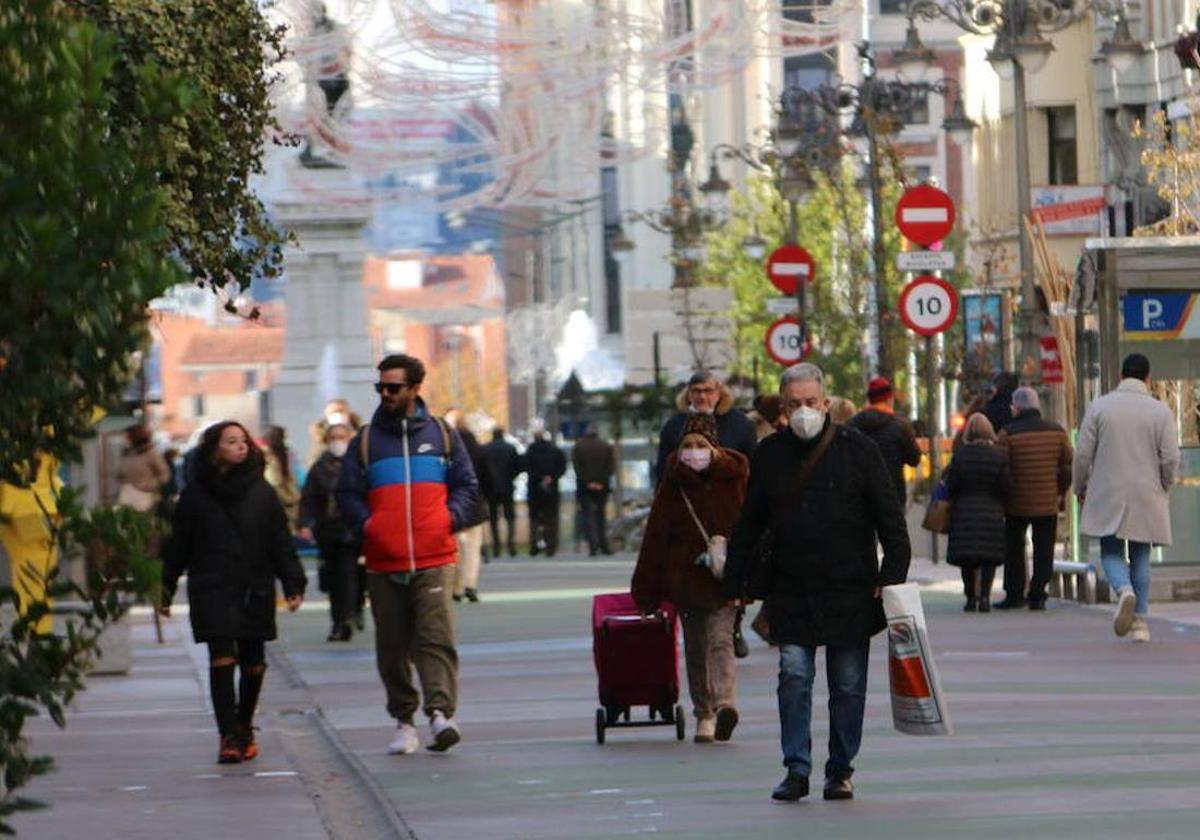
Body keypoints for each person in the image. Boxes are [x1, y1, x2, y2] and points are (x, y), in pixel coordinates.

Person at [725, 362, 910, 803]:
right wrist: (736, 580)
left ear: (825, 403)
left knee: (847, 684)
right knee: (794, 675)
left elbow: (891, 520)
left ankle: (841, 769)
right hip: (792, 588)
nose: (804, 410)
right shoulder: (769, 455)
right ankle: (797, 767)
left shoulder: (859, 449)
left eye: (811, 402)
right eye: (794, 404)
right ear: (782, 408)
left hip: (851, 587)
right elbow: (749, 522)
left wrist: (891, 577)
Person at [337, 354, 479, 754]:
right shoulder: (365, 441)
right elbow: (346, 493)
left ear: (415, 389)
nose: (385, 394)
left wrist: (448, 520)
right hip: (384, 560)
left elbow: (468, 485)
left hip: (434, 557)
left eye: (393, 387)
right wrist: (369, 526)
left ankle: (440, 715)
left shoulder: (443, 435)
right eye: (380, 387)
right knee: (392, 645)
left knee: (435, 638)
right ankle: (403, 719)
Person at [160, 422, 306, 764]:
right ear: (214, 451)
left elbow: (279, 542)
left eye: (243, 441)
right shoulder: (195, 496)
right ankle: (227, 734)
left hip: (254, 585)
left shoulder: (261, 492)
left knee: (254, 663)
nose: (241, 447)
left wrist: (293, 583)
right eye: (231, 442)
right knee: (222, 657)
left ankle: (244, 724)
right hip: (212, 586)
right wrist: (164, 589)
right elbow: (178, 546)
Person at [632, 413, 748, 743]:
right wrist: (645, 591)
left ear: (715, 447)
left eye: (701, 445)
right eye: (688, 445)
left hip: (727, 576)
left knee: (721, 640)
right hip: (687, 579)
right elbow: (655, 538)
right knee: (697, 646)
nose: (693, 451)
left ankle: (725, 704)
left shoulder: (735, 478)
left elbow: (753, 526)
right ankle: (704, 714)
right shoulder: (673, 483)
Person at [1074, 353, 1180, 643]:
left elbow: (1083, 453)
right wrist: (1164, 484)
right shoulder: (1160, 412)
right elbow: (1171, 457)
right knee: (1141, 554)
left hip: (1108, 490)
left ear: (1121, 377)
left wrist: (1079, 486)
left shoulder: (1100, 407)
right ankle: (1141, 623)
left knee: (1110, 550)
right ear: (1147, 377)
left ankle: (1124, 589)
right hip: (1147, 492)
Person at [995, 387, 1073, 610]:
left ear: (1016, 407)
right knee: (1044, 549)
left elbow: (1002, 468)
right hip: (1047, 501)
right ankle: (1038, 593)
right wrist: (1060, 490)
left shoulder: (1007, 433)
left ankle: (1015, 594)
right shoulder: (1057, 432)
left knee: (1014, 549)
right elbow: (1067, 465)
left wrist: (1007, 494)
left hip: (1016, 503)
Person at [299, 420, 361, 641]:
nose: (338, 442)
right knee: (332, 580)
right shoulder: (320, 467)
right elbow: (308, 498)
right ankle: (340, 619)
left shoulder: (358, 465)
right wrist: (305, 523)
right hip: (328, 531)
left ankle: (347, 617)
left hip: (352, 531)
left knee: (349, 575)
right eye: (333, 437)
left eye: (342, 437)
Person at [944, 413, 1011, 612]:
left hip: (964, 512)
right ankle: (985, 598)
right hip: (991, 512)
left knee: (968, 559)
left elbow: (951, 484)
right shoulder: (999, 456)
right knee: (988, 558)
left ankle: (970, 598)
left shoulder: (960, 455)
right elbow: (1006, 486)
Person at [655, 371, 757, 486]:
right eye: (697, 391)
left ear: (719, 392)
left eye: (708, 391)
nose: (702, 396)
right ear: (689, 394)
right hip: (686, 495)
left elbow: (753, 466)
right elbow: (663, 470)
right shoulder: (674, 425)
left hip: (730, 496)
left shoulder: (741, 424)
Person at [848, 377, 921, 507]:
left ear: (870, 400)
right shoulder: (900, 426)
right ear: (889, 399)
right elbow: (914, 459)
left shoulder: (852, 424)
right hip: (892, 497)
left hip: (859, 497)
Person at [445, 409, 493, 602]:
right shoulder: (477, 447)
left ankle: (456, 587)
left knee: (455, 549)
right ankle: (470, 584)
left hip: (451, 504)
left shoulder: (445, 448)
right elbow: (488, 477)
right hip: (475, 503)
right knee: (472, 549)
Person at [571, 423, 616, 556]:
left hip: (584, 487)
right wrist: (600, 482)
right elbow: (610, 467)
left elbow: (577, 468)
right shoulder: (606, 446)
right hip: (602, 486)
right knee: (601, 515)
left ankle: (593, 546)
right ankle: (603, 544)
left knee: (588, 515)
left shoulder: (578, 447)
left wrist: (588, 482)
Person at [524, 427, 568, 556]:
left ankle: (534, 545)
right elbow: (563, 466)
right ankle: (551, 546)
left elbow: (526, 467)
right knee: (551, 518)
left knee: (534, 519)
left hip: (534, 489)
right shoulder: (554, 450)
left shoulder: (530, 450)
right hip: (552, 488)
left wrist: (539, 477)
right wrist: (552, 477)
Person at [483, 427, 523, 557]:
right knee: (510, 516)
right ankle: (511, 544)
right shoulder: (510, 448)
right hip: (507, 486)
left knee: (493, 518)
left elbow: (481, 469)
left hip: (491, 488)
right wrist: (511, 477)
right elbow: (518, 466)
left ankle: (496, 546)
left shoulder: (486, 449)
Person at [115, 424, 171, 513]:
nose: (124, 439)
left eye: (127, 436)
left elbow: (165, 475)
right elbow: (122, 471)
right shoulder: (127, 453)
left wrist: (147, 485)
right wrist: (121, 476)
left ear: (134, 436)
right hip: (127, 495)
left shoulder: (151, 453)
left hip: (145, 498)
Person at [263, 425, 301, 534]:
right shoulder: (271, 460)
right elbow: (275, 484)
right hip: (283, 510)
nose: (288, 441)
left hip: (289, 510)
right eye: (285, 437)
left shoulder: (283, 457)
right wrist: (293, 498)